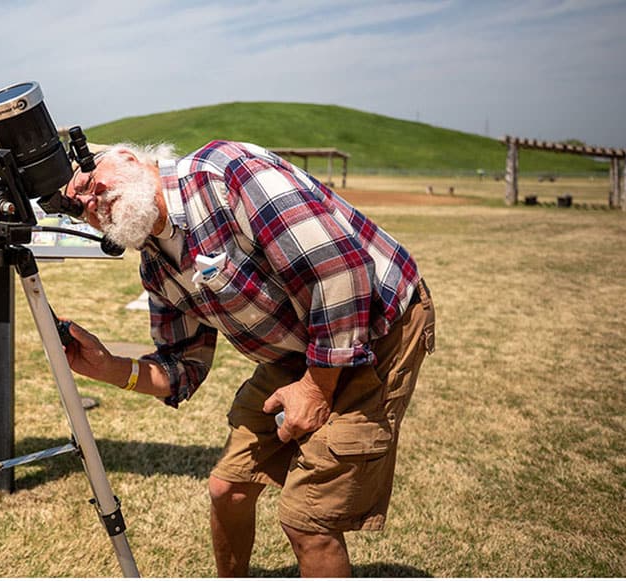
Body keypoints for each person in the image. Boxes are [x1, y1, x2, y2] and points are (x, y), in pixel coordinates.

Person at [61, 140, 435, 577]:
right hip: (303, 343)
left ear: (127, 159)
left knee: (307, 519)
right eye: (79, 207)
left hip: (377, 323)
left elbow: (339, 271)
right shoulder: (156, 267)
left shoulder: (222, 173)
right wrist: (108, 367)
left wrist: (316, 388)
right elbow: (183, 368)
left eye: (90, 183)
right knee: (228, 488)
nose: (92, 202)